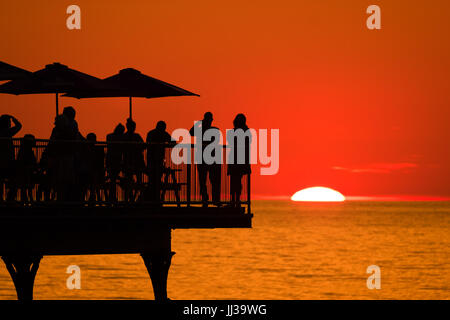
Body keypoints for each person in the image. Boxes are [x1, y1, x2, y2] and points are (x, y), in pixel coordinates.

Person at [189, 112, 222, 207]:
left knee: (209, 180)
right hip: (206, 158)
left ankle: (210, 199)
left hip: (209, 158)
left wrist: (199, 124)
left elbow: (191, 132)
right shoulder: (210, 130)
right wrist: (199, 124)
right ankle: (208, 199)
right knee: (205, 180)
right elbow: (190, 133)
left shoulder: (212, 130)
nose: (209, 122)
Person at [146, 121, 175, 203]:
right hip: (155, 160)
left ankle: (154, 199)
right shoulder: (162, 134)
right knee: (155, 179)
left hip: (155, 160)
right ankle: (154, 199)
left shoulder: (151, 133)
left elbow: (172, 141)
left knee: (154, 179)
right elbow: (172, 142)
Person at [227, 114, 251, 207]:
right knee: (235, 181)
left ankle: (235, 200)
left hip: (238, 161)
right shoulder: (245, 131)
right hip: (237, 160)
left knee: (235, 181)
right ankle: (235, 200)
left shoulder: (244, 132)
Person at [0, 114, 22, 201]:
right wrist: (14, 118)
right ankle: (10, 199)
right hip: (8, 161)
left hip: (3, 161)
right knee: (14, 180)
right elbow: (19, 126)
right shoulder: (7, 132)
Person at [123, 118, 145, 202]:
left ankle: (133, 197)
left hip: (132, 161)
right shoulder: (135, 136)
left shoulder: (126, 136)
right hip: (133, 161)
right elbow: (143, 145)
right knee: (134, 180)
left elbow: (143, 145)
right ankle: (133, 197)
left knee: (131, 180)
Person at [15, 134, 38, 202]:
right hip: (26, 174)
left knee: (25, 186)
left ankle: (26, 199)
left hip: (26, 173)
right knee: (26, 184)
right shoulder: (27, 152)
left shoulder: (23, 151)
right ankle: (28, 199)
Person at [106, 123, 125, 202]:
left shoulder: (109, 136)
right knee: (113, 178)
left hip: (112, 159)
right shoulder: (120, 138)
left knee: (113, 178)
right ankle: (112, 197)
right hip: (114, 159)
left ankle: (112, 197)